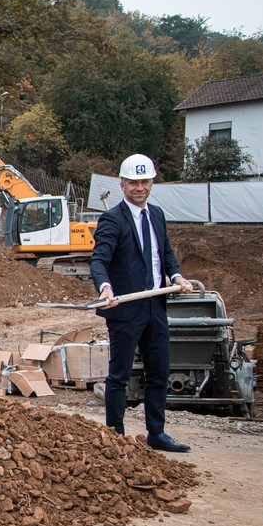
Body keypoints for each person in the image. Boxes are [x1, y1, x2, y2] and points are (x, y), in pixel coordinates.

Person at [90, 153, 193, 453]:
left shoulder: (157, 215)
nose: (139, 188)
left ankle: (156, 433)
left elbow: (167, 255)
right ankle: (115, 434)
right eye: (133, 183)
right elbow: (99, 260)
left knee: (159, 372)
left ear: (152, 182)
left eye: (145, 181)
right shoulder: (112, 219)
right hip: (125, 309)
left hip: (155, 307)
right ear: (122, 185)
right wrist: (105, 288)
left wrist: (176, 277)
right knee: (119, 375)